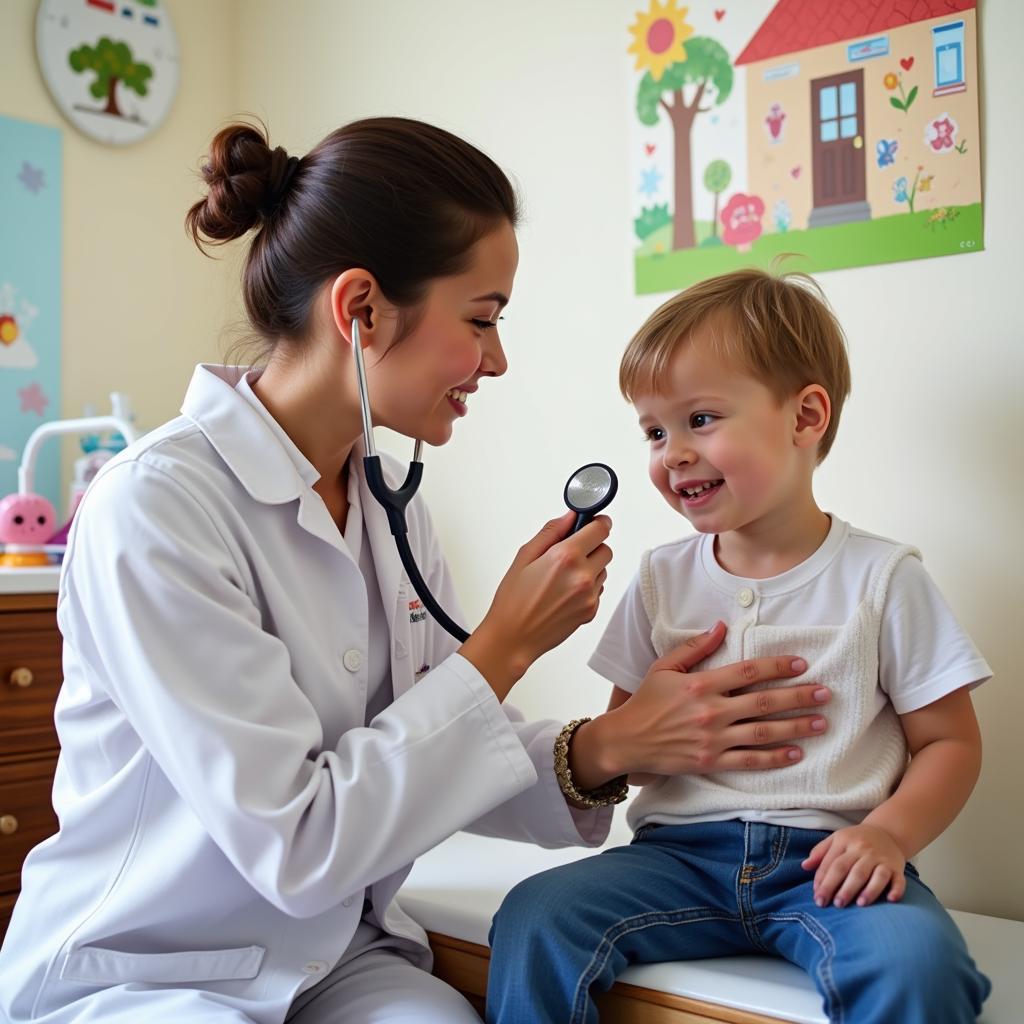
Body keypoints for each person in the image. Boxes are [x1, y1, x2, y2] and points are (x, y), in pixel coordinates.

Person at [0, 122, 833, 1024]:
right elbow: (299, 842)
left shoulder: (386, 503)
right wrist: (506, 645)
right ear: (360, 309)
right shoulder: (156, 510)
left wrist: (612, 747)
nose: (499, 358)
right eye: (482, 318)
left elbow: (430, 741)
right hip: (150, 970)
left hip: (339, 958)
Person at [487, 268, 993, 1024]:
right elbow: (626, 740)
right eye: (655, 431)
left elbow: (950, 741)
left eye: (700, 418)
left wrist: (887, 836)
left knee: (920, 965)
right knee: (534, 915)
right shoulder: (660, 578)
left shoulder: (884, 578)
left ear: (806, 416)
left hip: (829, 863)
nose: (673, 453)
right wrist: (648, 740)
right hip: (674, 860)